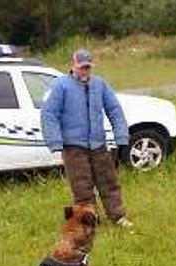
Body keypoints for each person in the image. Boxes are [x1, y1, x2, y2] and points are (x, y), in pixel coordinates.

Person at [41, 48, 134, 228]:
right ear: (73, 65)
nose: (85, 71)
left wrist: (121, 134)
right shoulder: (60, 86)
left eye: (88, 67)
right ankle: (90, 220)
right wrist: (55, 141)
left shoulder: (100, 84)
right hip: (73, 147)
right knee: (82, 186)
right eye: (81, 67)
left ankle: (118, 216)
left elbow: (114, 109)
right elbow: (49, 114)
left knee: (109, 182)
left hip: (98, 144)